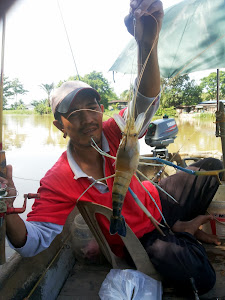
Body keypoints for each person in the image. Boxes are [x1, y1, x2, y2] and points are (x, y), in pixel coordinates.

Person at [2, 0, 223, 296]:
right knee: (201, 278)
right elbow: (31, 243)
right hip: (138, 234)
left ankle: (179, 226)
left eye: (91, 106)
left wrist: (147, 45)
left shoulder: (114, 129)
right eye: (73, 112)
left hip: (157, 200)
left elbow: (144, 103)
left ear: (101, 109)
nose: (86, 117)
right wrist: (6, 209)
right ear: (60, 126)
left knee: (209, 169)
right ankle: (182, 233)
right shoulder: (58, 178)